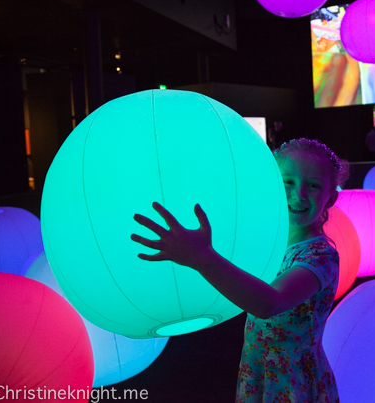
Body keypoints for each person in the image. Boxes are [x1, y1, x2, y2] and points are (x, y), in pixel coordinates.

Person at [131, 138, 348, 403]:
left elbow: (270, 302)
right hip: (258, 367)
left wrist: (202, 258)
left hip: (293, 379)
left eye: (313, 185)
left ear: (331, 198)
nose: (298, 194)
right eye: (286, 181)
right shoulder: (266, 242)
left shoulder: (320, 255)